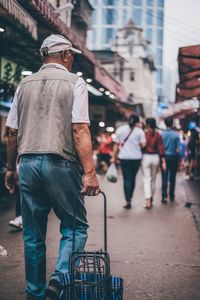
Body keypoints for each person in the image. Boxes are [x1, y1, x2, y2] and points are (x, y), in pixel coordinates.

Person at [5, 34, 99, 300]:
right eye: (72, 57)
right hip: (61, 163)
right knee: (75, 226)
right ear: (66, 55)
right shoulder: (75, 82)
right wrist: (90, 173)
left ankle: (35, 292)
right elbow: (79, 128)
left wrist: (10, 168)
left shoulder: (24, 84)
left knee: (33, 233)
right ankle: (58, 280)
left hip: (28, 164)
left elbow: (11, 132)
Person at [111, 114, 146, 209]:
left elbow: (116, 145)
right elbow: (143, 145)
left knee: (126, 178)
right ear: (137, 122)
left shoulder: (120, 130)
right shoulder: (140, 131)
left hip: (124, 158)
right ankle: (130, 197)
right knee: (133, 178)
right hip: (136, 158)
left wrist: (114, 157)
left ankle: (128, 200)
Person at [142, 118, 166, 209]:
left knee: (147, 179)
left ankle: (148, 200)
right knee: (153, 179)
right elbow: (161, 149)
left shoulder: (144, 134)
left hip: (146, 157)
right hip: (156, 157)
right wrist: (163, 161)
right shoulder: (158, 135)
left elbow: (142, 146)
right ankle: (151, 199)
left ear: (147, 125)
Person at [161, 117, 182, 203]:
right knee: (172, 177)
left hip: (164, 158)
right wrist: (181, 159)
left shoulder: (161, 134)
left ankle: (164, 196)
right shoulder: (176, 135)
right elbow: (180, 149)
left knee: (164, 177)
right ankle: (172, 195)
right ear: (172, 124)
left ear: (165, 124)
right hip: (173, 158)